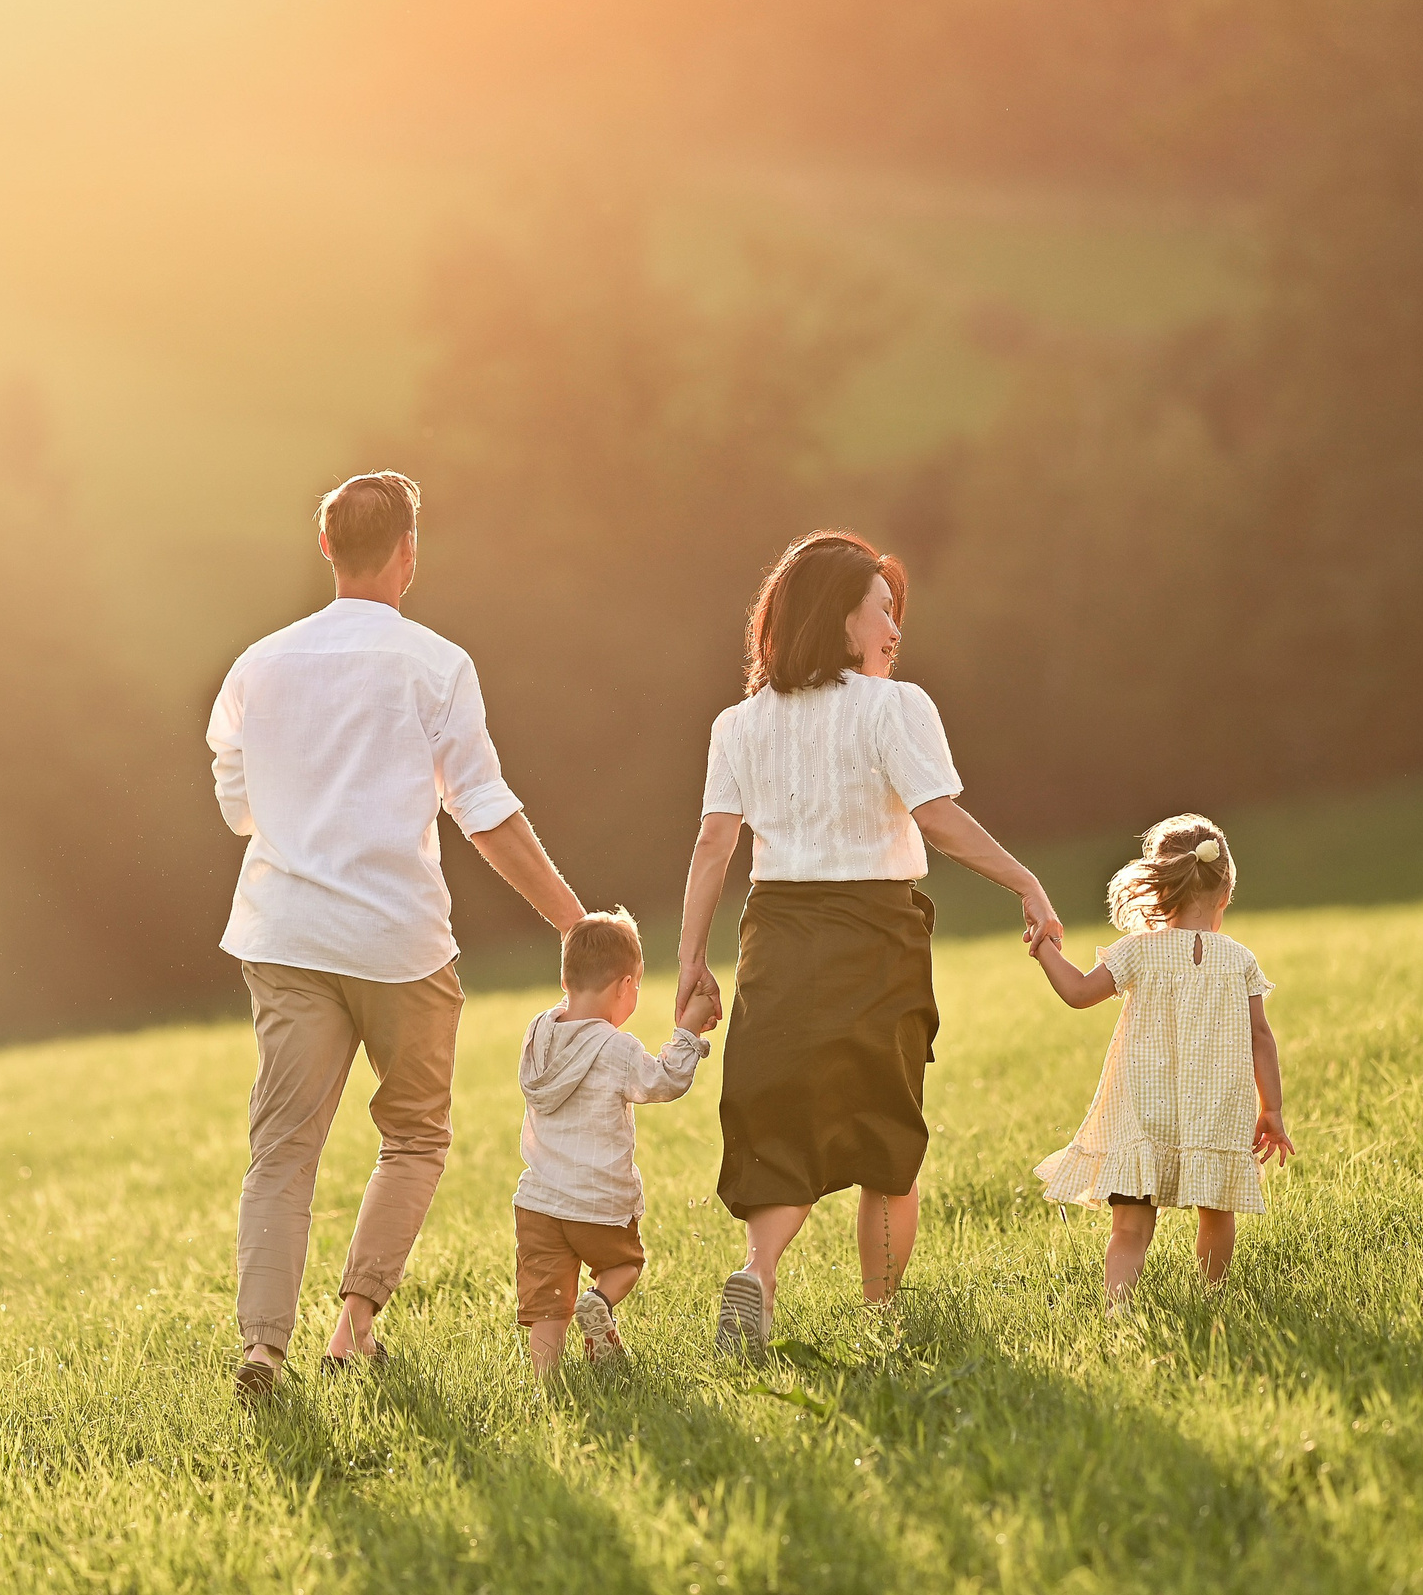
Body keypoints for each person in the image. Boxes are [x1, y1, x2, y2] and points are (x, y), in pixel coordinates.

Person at [207, 471, 585, 1399]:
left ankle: (263, 1349)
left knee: (283, 1150)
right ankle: (352, 1327)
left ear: (326, 547)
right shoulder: (436, 664)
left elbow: (236, 804)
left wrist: (305, 817)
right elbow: (485, 812)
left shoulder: (257, 665)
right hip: (399, 944)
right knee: (413, 1138)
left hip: (285, 934)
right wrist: (575, 921)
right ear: (410, 553)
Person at [675, 530, 1060, 1358]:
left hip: (775, 934)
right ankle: (881, 1317)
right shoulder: (895, 707)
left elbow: (714, 845)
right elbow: (938, 816)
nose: (894, 629)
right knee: (884, 1129)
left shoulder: (737, 724)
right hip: (874, 932)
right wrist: (1025, 880)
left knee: (782, 1122)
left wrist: (691, 962)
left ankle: (759, 1273)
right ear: (842, 621)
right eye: (881, 611)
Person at [1032, 816, 1296, 1306]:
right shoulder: (1240, 959)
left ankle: (1119, 1311)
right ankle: (1211, 1297)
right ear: (1223, 897)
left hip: (1143, 1110)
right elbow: (1263, 1036)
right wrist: (1272, 1111)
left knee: (1131, 1228)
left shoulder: (1138, 951)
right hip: (1216, 1110)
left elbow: (1078, 993)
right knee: (1217, 1214)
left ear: (1161, 891)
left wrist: (1044, 948)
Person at [511, 908, 715, 1377]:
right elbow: (664, 1082)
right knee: (623, 1266)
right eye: (637, 986)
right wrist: (688, 1033)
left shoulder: (537, 1033)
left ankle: (546, 1383)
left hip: (539, 1202)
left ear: (565, 977)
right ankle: (598, 1301)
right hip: (598, 1203)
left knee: (547, 1304)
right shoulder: (616, 1048)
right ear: (625, 986)